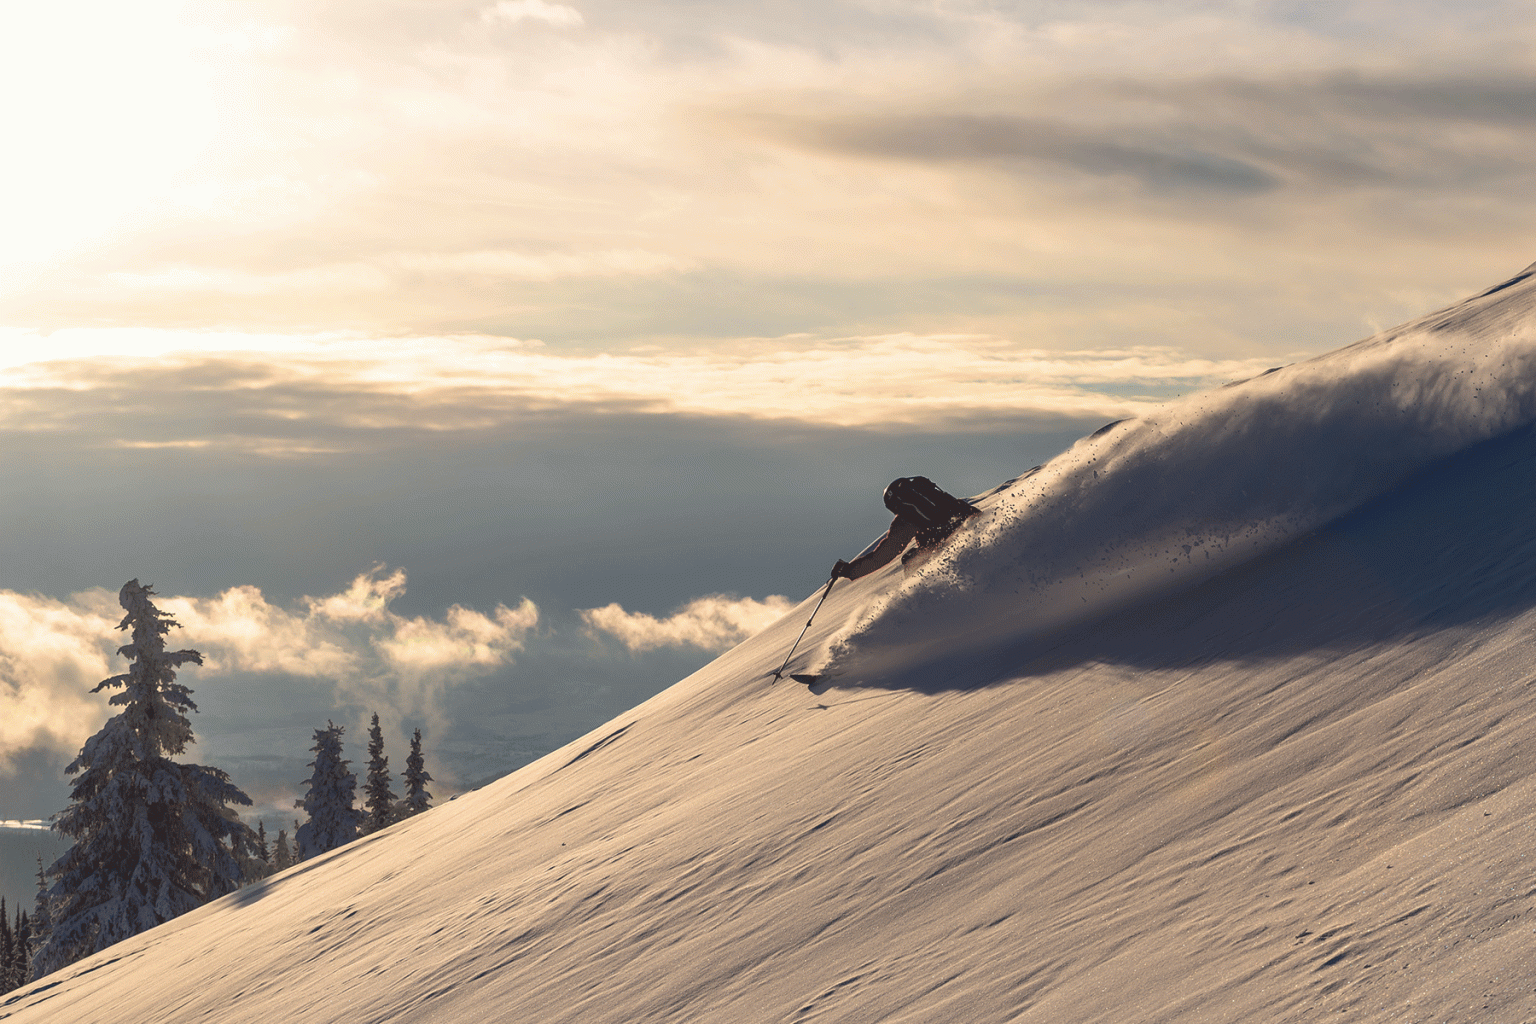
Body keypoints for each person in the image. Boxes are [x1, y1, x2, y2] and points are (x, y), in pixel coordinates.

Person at [831, 476, 980, 580]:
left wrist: (849, 571)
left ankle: (922, 597)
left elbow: (882, 556)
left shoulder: (906, 520)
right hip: (971, 529)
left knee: (910, 560)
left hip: (944, 546)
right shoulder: (937, 496)